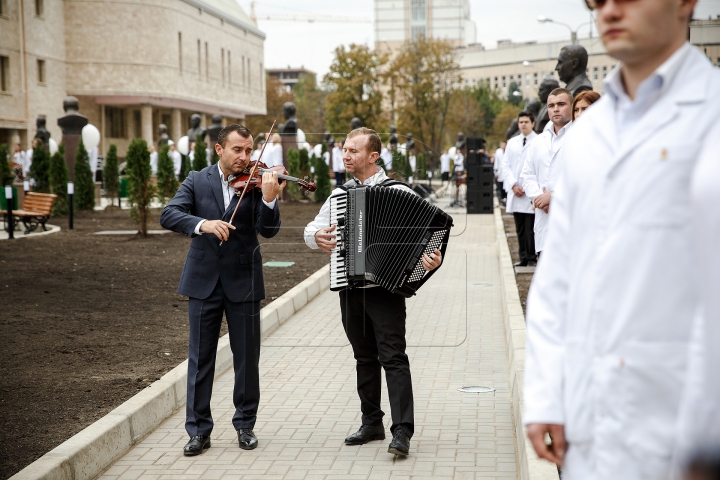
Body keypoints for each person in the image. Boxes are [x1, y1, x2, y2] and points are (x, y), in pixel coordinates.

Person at [523, 0, 720, 478]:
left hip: (683, 435)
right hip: (591, 433)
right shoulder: (592, 135)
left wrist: (705, 441)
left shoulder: (710, 117)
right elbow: (559, 276)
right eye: (596, 0)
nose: (608, 9)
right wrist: (547, 390)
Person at [303, 127, 442, 457]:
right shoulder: (340, 195)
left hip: (385, 289)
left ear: (373, 156)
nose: (346, 155)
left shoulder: (400, 193)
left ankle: (402, 431)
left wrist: (428, 263)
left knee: (392, 356)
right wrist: (316, 237)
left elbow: (430, 231)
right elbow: (312, 227)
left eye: (353, 150)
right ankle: (371, 423)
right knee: (363, 356)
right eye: (344, 150)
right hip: (349, 287)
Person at [160, 124, 285, 456]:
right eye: (237, 150)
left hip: (244, 280)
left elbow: (268, 231)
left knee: (247, 358)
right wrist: (202, 224)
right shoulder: (197, 180)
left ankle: (245, 425)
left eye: (249, 150)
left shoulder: (260, 183)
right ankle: (199, 431)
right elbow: (169, 214)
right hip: (203, 280)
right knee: (200, 359)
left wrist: (270, 202)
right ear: (219, 149)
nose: (245, 157)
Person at [520, 88, 573, 259]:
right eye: (551, 105)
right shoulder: (538, 142)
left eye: (561, 104)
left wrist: (553, 197)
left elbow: (582, 178)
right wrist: (539, 199)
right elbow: (527, 175)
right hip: (544, 219)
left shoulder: (580, 136)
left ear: (572, 106)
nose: (555, 109)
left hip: (570, 220)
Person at [501, 111, 537, 267]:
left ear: (533, 123)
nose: (523, 124)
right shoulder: (513, 143)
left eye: (526, 122)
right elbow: (505, 165)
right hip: (516, 192)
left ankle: (531, 257)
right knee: (520, 228)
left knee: (531, 228)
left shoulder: (538, 141)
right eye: (521, 122)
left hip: (530, 192)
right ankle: (523, 257)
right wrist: (513, 185)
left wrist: (527, 187)